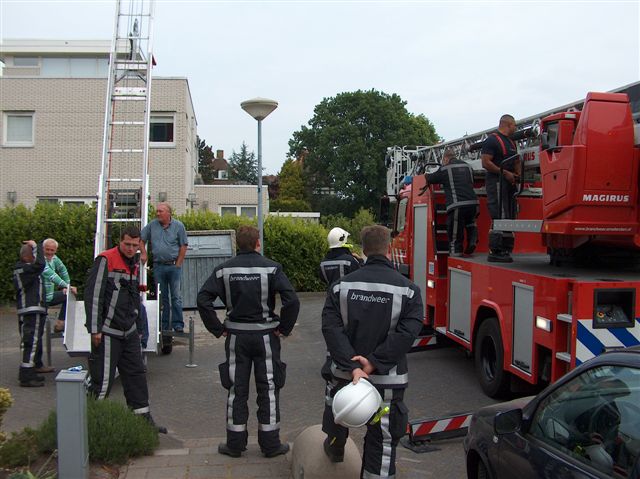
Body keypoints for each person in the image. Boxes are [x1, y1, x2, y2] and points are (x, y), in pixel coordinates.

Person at [321, 225, 423, 478]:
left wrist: (353, 367)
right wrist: (373, 363)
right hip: (387, 381)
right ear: (388, 248)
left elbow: (331, 329)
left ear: (363, 249)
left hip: (345, 377)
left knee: (337, 417)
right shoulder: (409, 290)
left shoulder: (339, 288)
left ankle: (335, 450)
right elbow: (407, 334)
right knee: (383, 439)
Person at [197, 225, 300, 459]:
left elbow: (203, 299)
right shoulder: (273, 268)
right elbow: (291, 301)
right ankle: (271, 444)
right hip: (266, 337)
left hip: (236, 338)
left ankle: (234, 444)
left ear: (237, 245)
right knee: (270, 389)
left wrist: (217, 328)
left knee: (236, 389)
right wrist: (283, 328)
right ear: (258, 243)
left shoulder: (223, 270)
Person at [84, 226, 166, 433]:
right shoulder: (105, 260)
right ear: (120, 241)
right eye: (127, 244)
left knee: (136, 376)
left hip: (128, 332)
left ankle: (142, 422)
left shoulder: (134, 263)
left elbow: (134, 299)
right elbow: (94, 296)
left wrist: (139, 329)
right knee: (102, 380)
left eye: (134, 245)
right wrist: (95, 329)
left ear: (139, 244)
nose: (130, 249)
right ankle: (88, 426)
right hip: (108, 331)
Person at [140, 202, 188, 333]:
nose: (158, 213)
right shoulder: (152, 225)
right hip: (158, 266)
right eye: (157, 211)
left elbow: (184, 245)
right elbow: (141, 239)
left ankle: (178, 325)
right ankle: (164, 325)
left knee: (176, 297)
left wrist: (178, 264)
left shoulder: (178, 226)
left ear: (168, 213)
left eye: (160, 211)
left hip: (173, 266)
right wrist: (144, 253)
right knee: (162, 297)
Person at [422, 148, 479, 256]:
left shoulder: (445, 169)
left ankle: (455, 254)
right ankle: (472, 239)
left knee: (455, 233)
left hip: (457, 205)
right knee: (470, 222)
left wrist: (425, 174)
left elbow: (430, 178)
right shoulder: (468, 166)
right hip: (473, 203)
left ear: (446, 158)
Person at [481, 114, 521, 263]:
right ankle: (496, 250)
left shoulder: (511, 142)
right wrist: (505, 173)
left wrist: (518, 175)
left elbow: (516, 160)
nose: (516, 128)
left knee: (510, 214)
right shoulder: (492, 140)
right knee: (499, 214)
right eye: (515, 125)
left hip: (509, 184)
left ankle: (506, 248)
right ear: (508, 124)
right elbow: (486, 162)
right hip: (496, 182)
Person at [13, 240, 48, 386]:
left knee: (31, 341)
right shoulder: (26, 268)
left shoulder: (23, 268)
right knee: (30, 342)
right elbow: (41, 264)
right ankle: (26, 376)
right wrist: (36, 246)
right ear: (27, 256)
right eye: (33, 254)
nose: (35, 257)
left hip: (30, 310)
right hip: (31, 310)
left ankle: (30, 370)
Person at [42, 238, 77, 333]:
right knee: (39, 327)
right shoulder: (40, 261)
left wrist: (67, 287)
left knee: (69, 295)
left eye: (52, 250)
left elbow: (63, 270)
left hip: (49, 295)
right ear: (43, 249)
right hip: (40, 297)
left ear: (55, 250)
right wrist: (67, 286)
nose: (49, 252)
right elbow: (52, 276)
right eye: (47, 249)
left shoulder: (54, 258)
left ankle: (60, 323)